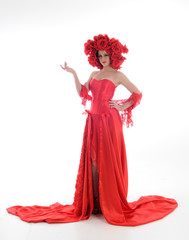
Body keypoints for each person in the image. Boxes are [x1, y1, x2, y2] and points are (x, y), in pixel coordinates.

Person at [6, 34, 178, 226]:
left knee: (106, 159)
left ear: (113, 55)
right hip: (93, 120)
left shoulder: (118, 75)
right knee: (94, 161)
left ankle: (108, 203)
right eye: (100, 55)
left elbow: (137, 93)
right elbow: (83, 93)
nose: (103, 59)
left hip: (109, 121)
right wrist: (73, 73)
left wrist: (121, 107)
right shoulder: (93, 74)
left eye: (105, 55)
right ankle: (96, 203)